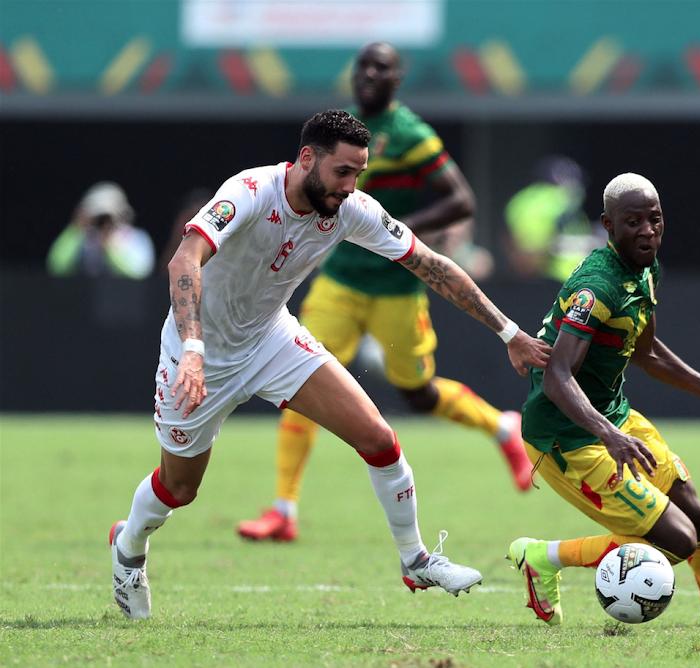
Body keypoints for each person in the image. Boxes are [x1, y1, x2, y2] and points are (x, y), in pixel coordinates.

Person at [109, 109, 550, 620]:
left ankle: (416, 560)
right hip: (199, 351)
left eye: (358, 174)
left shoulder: (351, 209)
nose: (350, 186)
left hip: (271, 339)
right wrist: (192, 349)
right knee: (179, 489)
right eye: (343, 172)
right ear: (306, 159)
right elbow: (184, 260)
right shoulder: (250, 191)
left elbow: (432, 264)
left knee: (380, 440)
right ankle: (128, 547)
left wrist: (510, 332)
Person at [237, 43, 532, 544]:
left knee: (419, 394)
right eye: (363, 66)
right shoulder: (341, 132)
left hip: (397, 287)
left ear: (398, 78)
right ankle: (284, 508)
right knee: (299, 383)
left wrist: (393, 231)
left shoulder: (412, 135)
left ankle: (504, 428)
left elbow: (461, 200)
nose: (370, 74)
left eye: (382, 68)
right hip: (341, 281)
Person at [508, 173, 700, 628]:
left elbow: (649, 352)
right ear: (608, 225)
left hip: (614, 420)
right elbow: (557, 377)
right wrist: (609, 435)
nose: (646, 231)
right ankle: (542, 556)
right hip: (566, 437)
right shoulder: (596, 288)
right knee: (676, 542)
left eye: (654, 220)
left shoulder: (644, 269)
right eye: (633, 221)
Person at [504, 155, 601, 282]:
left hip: (537, 281)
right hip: (558, 280)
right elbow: (532, 251)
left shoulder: (518, 201)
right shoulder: (559, 199)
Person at [47, 181, 155, 279]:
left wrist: (108, 247)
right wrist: (76, 229)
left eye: (108, 217)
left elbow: (140, 273)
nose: (104, 222)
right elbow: (56, 267)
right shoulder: (82, 238)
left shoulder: (136, 238)